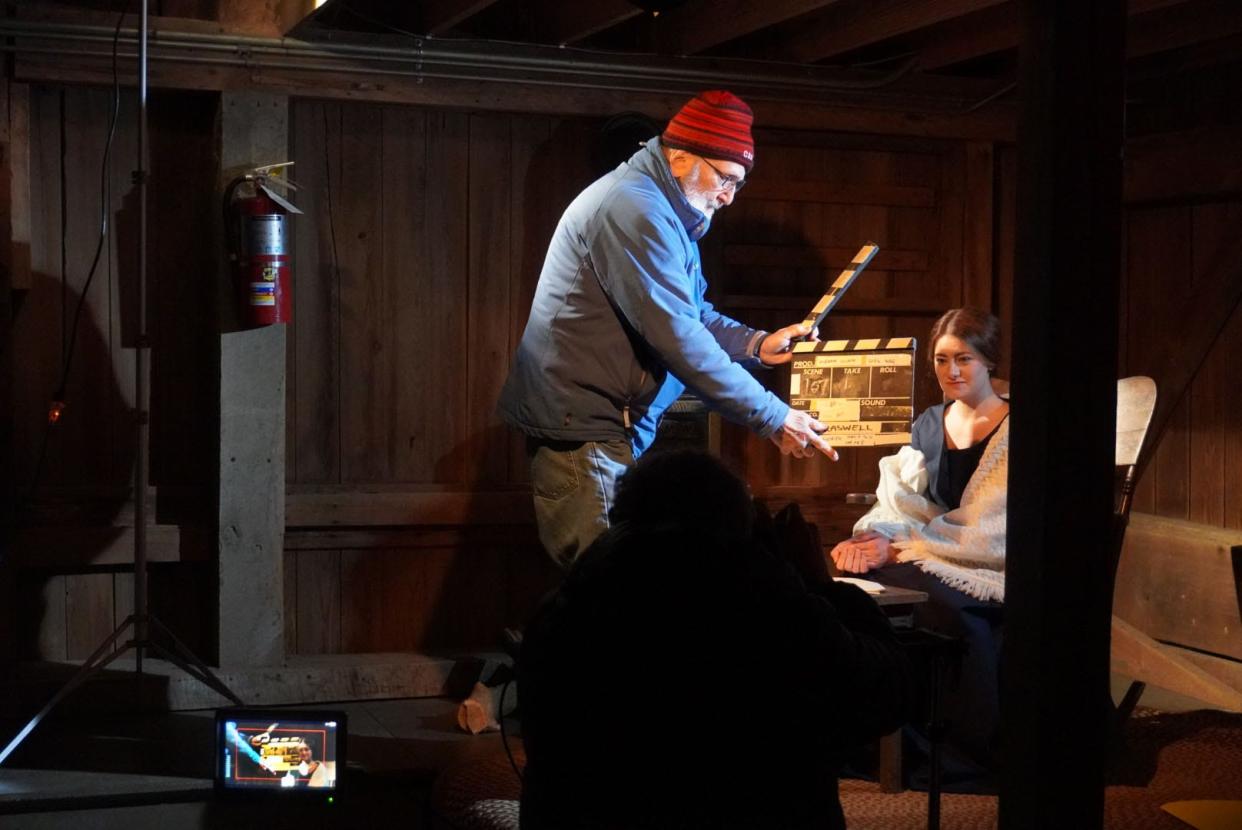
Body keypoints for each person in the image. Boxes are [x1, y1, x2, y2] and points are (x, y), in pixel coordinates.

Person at [498, 90, 836, 569]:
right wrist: (773, 416)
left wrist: (757, 343)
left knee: (617, 587)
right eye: (724, 178)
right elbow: (679, 337)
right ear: (679, 157)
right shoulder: (635, 208)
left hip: (607, 423)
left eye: (738, 184)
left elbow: (692, 313)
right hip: (586, 424)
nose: (728, 195)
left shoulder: (665, 210)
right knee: (608, 586)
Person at [518, 450, 916, 830]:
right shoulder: (767, 605)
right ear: (737, 524)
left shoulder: (570, 605)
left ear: (625, 517)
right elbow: (886, 692)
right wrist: (819, 586)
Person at [830, 307, 1008, 776]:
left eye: (964, 359)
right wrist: (872, 539)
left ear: (989, 360)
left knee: (945, 607)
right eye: (941, 359)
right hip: (932, 549)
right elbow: (903, 503)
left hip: (990, 562)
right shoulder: (931, 424)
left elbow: (992, 524)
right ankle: (875, 733)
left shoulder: (1015, 427)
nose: (951, 371)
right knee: (857, 586)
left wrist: (902, 544)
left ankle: (952, 750)